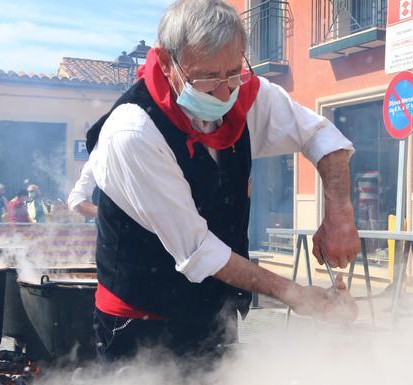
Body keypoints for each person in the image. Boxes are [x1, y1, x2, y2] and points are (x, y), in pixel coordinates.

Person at [82, 0, 360, 363]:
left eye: (232, 72)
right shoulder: (133, 132)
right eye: (206, 78)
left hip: (216, 313)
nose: (225, 93)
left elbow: (322, 137)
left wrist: (339, 214)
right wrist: (296, 295)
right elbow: (198, 251)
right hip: (140, 324)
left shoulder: (245, 95)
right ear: (167, 63)